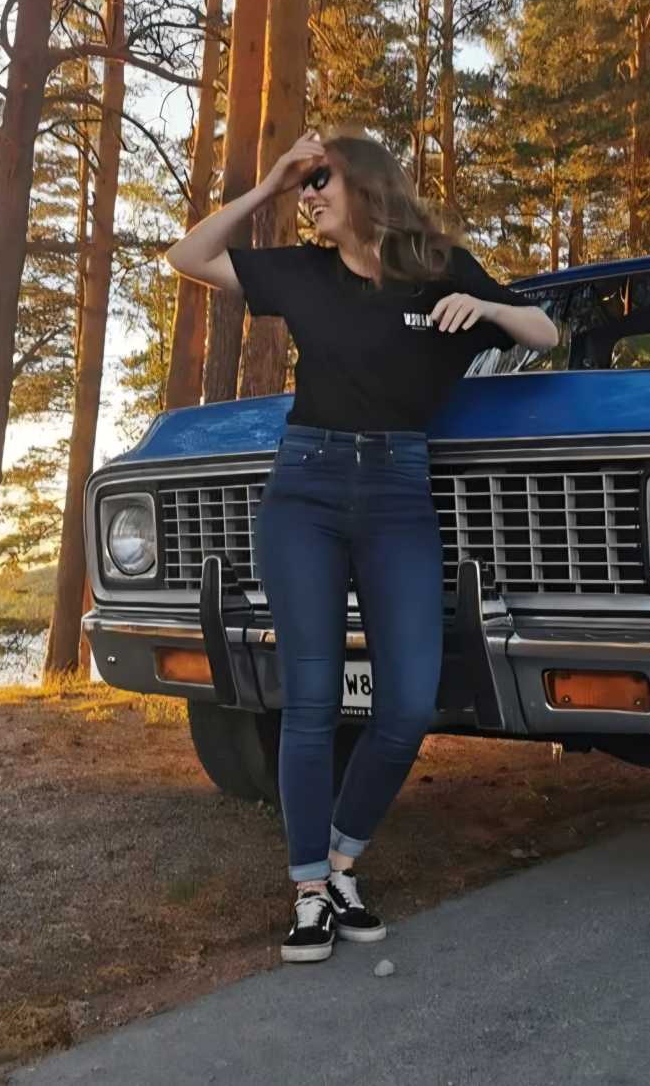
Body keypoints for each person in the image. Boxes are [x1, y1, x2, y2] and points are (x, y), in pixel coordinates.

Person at [165, 129, 558, 963]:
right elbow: (189, 257)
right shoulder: (305, 274)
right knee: (309, 703)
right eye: (305, 184)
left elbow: (545, 331)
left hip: (399, 493)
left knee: (408, 706)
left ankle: (345, 862)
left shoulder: (440, 269)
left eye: (321, 181)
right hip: (304, 491)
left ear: (369, 187)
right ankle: (311, 891)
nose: (310, 196)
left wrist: (487, 309)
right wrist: (269, 184)